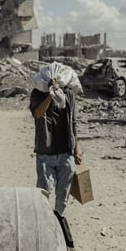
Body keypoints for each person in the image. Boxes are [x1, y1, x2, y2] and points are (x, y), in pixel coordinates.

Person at [29, 78, 82, 216]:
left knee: (63, 197)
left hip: (66, 152)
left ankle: (58, 222)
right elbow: (37, 114)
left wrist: (76, 150)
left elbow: (73, 123)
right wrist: (50, 95)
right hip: (46, 153)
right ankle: (42, 222)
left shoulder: (69, 94)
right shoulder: (37, 94)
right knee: (43, 193)